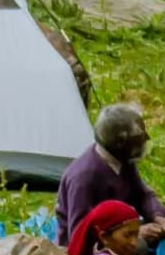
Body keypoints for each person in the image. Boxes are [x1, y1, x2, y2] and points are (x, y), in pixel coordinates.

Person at [57, 103, 153, 246]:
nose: (147, 138)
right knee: (140, 246)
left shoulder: (124, 161)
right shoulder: (83, 177)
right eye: (139, 137)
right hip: (94, 250)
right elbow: (80, 234)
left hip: (125, 229)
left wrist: (158, 217)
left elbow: (143, 195)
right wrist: (135, 234)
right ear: (121, 143)